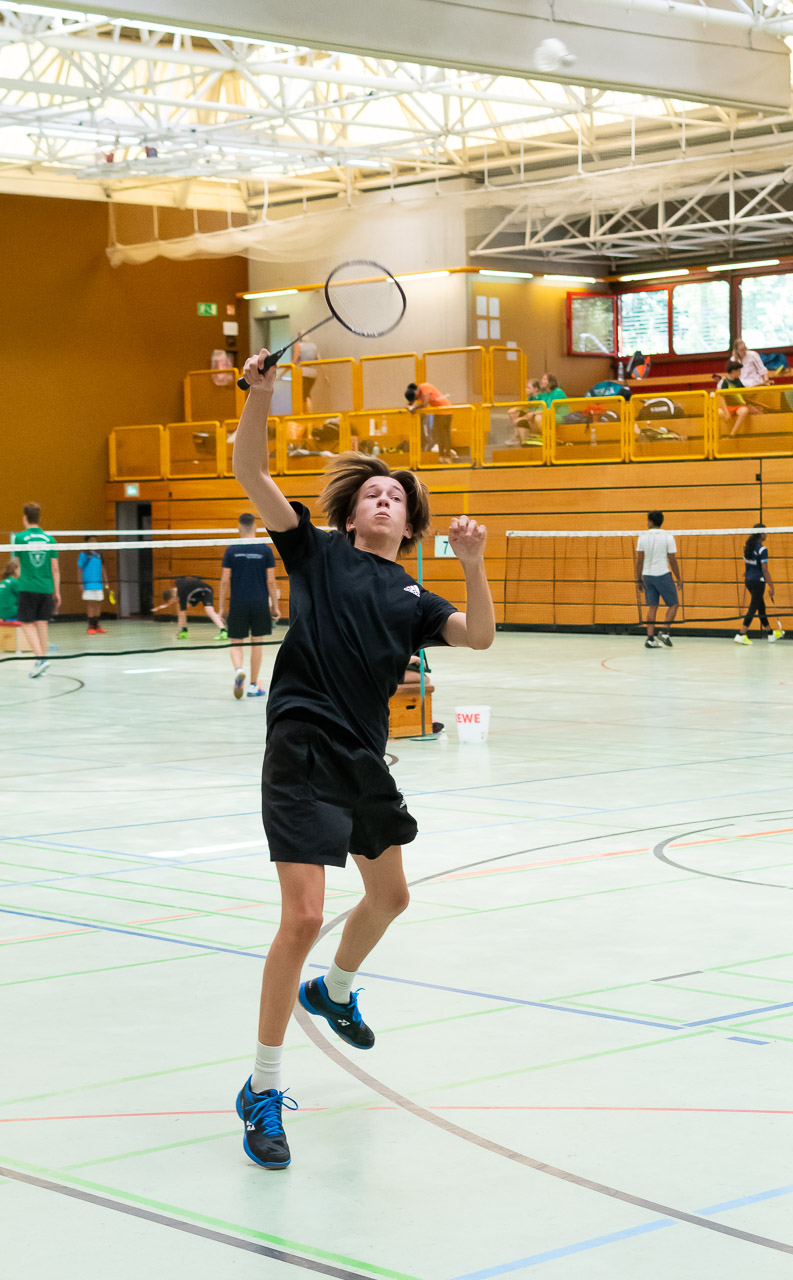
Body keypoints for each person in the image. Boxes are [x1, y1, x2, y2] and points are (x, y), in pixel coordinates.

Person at [232, 348, 495, 1170]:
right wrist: (260, 394)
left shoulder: (415, 597)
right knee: (304, 918)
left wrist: (473, 566)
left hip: (363, 760)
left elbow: (479, 637)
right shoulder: (312, 550)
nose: (384, 498)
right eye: (373, 493)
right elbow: (249, 470)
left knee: (390, 898)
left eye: (398, 498)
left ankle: (334, 990)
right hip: (300, 746)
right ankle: (262, 1087)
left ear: (409, 527)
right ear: (350, 517)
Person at [218, 513, 280, 699]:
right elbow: (271, 581)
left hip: (238, 602)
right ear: (255, 528)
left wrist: (221, 607)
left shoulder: (231, 550)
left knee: (235, 642)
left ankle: (239, 671)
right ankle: (253, 685)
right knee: (257, 643)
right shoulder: (265, 550)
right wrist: (275, 606)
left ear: (239, 528)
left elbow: (224, 580)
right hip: (260, 602)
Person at [13, 502, 60, 678]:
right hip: (46, 588)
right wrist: (57, 591)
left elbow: (16, 563)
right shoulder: (50, 539)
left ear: (25, 517)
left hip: (28, 587)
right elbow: (55, 568)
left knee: (27, 623)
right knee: (42, 623)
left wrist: (21, 577)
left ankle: (40, 659)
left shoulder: (19, 538)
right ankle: (42, 660)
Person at [635, 510, 682, 649]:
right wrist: (679, 578)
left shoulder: (642, 537)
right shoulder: (668, 537)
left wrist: (638, 579)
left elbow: (639, 560)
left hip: (647, 576)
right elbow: (672, 560)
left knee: (652, 607)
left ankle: (650, 639)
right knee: (674, 604)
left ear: (651, 521)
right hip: (662, 574)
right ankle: (664, 632)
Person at [734, 524, 784, 645]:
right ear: (761, 534)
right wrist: (771, 586)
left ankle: (770, 633)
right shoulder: (762, 549)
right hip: (758, 582)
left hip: (749, 581)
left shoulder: (748, 547)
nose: (766, 534)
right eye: (765, 532)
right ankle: (741, 634)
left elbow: (748, 564)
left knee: (761, 607)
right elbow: (765, 570)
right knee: (753, 607)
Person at [151, 576, 227, 639]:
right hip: (198, 592)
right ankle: (184, 631)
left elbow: (182, 613)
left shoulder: (182, 594)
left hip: (205, 590)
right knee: (180, 606)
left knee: (208, 610)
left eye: (174, 600)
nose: (175, 601)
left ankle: (223, 631)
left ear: (174, 595)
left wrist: (179, 628)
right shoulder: (178, 583)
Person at [404, 381, 455, 461]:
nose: (416, 398)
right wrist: (408, 406)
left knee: (444, 434)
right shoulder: (417, 394)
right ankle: (441, 455)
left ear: (416, 390)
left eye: (415, 395)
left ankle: (447, 455)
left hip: (445, 410)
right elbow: (410, 402)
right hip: (438, 412)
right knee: (438, 434)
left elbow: (425, 404)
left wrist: (415, 408)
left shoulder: (425, 387)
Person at [717, 360, 763, 437]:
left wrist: (762, 384)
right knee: (718, 412)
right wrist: (726, 412)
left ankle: (732, 433)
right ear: (733, 371)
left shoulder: (738, 381)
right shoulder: (725, 382)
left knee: (744, 410)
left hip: (738, 406)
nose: (740, 373)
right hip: (728, 407)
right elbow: (721, 397)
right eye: (739, 371)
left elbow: (746, 391)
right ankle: (721, 434)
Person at [77, 536, 109, 635]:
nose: (94, 542)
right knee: (91, 604)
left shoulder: (99, 554)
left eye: (95, 540)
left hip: (98, 583)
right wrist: (80, 583)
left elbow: (102, 568)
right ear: (86, 542)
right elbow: (79, 569)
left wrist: (106, 581)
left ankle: (97, 625)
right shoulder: (84, 554)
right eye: (91, 540)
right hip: (88, 583)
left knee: (98, 603)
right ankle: (90, 626)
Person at [293, 339, 319, 413]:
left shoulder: (298, 345)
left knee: (305, 394)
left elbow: (294, 360)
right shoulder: (314, 346)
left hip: (304, 373)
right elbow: (319, 359)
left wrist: (283, 372)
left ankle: (307, 413)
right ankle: (308, 412)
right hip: (313, 373)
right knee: (307, 393)